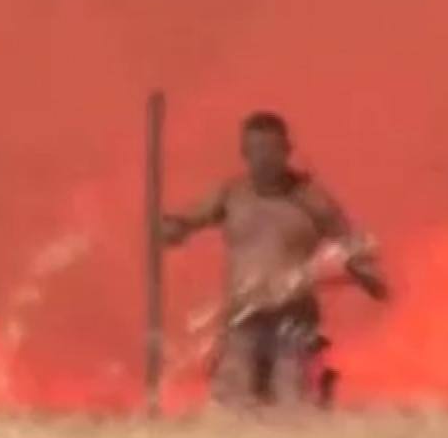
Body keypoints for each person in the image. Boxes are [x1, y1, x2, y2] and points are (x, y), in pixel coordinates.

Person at [161, 111, 388, 408]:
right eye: (255, 150)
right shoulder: (231, 195)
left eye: (271, 149)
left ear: (287, 151)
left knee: (292, 401)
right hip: (243, 318)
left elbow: (350, 243)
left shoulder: (311, 198)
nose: (264, 158)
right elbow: (187, 222)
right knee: (235, 400)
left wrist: (366, 274)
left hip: (294, 320)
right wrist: (169, 229)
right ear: (244, 153)